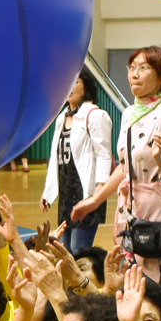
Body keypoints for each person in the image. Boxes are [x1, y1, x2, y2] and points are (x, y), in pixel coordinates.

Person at [71, 46, 161, 285]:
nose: (135, 74)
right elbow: (124, 167)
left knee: (150, 291)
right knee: (129, 286)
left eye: (143, 68)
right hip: (128, 212)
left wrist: (160, 157)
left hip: (156, 214)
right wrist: (94, 200)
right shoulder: (129, 114)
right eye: (132, 68)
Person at [41, 69, 112, 256]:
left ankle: (85, 284)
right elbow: (56, 159)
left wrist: (99, 189)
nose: (70, 88)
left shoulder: (95, 115)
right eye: (66, 82)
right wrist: (48, 193)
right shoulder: (61, 118)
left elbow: (104, 155)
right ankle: (71, 285)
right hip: (66, 194)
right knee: (64, 251)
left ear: (86, 85)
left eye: (76, 82)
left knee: (79, 250)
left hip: (86, 191)